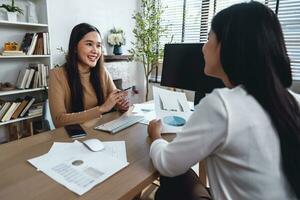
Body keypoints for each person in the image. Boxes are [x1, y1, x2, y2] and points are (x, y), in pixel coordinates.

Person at [148, 2, 300, 200]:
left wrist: (155, 137)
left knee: (173, 176)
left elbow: (167, 164)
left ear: (229, 45)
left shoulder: (223, 105)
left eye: (209, 36)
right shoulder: (294, 101)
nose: (203, 47)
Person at [49, 23, 129, 128]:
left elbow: (114, 100)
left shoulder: (102, 71)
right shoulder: (57, 75)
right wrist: (101, 109)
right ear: (75, 48)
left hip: (101, 130)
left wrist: (120, 104)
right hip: (74, 136)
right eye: (89, 44)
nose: (95, 51)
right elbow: (59, 120)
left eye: (98, 45)